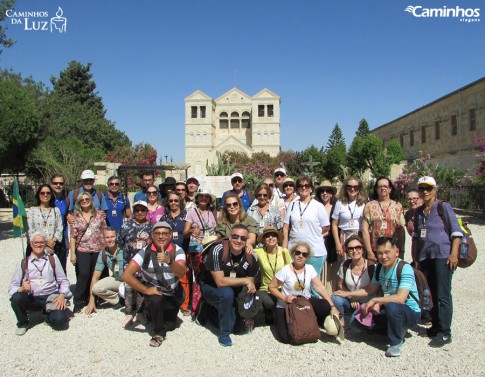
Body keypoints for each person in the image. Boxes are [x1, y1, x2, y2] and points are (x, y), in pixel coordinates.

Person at [347, 237, 421, 357]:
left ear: (396, 252)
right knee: (356, 324)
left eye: (387, 252)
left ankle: (396, 342)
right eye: (380, 253)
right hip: (388, 309)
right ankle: (394, 329)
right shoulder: (380, 268)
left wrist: (376, 301)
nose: (383, 256)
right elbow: (370, 289)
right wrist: (348, 294)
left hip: (409, 311)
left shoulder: (404, 268)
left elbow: (400, 298)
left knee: (392, 306)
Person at [412, 176, 462, 348]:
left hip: (442, 255)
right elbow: (416, 237)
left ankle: (445, 331)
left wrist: (454, 254)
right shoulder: (418, 212)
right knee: (430, 293)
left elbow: (456, 232)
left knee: (442, 294)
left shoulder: (443, 207)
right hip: (426, 257)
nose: (425, 191)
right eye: (422, 188)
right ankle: (435, 326)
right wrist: (416, 259)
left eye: (428, 188)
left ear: (435, 190)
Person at [122, 222, 186, 347]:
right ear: (152, 235)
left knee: (171, 326)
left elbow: (182, 272)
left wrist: (169, 261)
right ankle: (158, 333)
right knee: (156, 301)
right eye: (157, 233)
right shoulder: (144, 252)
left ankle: (148, 313)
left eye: (164, 233)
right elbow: (126, 276)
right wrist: (146, 290)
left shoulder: (177, 251)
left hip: (172, 293)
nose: (161, 237)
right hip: (155, 292)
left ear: (170, 235)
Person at [197, 224, 259, 346]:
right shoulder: (218, 250)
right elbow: (220, 282)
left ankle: (207, 310)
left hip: (234, 288)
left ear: (247, 241)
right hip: (211, 285)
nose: (238, 240)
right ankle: (224, 334)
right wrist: (245, 281)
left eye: (243, 238)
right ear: (230, 237)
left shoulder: (251, 258)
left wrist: (248, 314)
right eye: (235, 236)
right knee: (226, 294)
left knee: (236, 327)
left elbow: (250, 286)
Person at [268, 242, 339, 344]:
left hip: (305, 301)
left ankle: (315, 321)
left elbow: (320, 288)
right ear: (293, 254)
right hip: (287, 304)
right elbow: (271, 287)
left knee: (325, 305)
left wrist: (333, 306)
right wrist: (284, 298)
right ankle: (278, 318)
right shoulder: (285, 270)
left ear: (307, 257)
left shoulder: (309, 269)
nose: (300, 256)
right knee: (285, 339)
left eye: (304, 254)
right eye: (298, 253)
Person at [8, 232, 71, 335]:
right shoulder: (23, 263)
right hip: (32, 297)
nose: (38, 245)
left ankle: (47, 314)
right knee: (16, 298)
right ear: (31, 244)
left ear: (45, 243)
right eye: (35, 242)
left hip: (51, 296)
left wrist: (62, 295)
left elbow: (63, 280)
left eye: (41, 242)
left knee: (61, 322)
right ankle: (23, 323)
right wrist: (22, 288)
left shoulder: (52, 258)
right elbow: (11, 288)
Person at [282, 176, 330, 288]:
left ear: (311, 188)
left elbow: (326, 227)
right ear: (297, 189)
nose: (304, 188)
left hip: (314, 251)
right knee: (295, 283)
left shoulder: (318, 206)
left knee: (312, 285)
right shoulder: (292, 205)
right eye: (300, 186)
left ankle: (314, 304)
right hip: (294, 250)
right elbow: (286, 227)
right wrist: (285, 246)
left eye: (306, 185)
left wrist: (312, 233)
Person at [70, 192, 107, 313]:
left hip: (98, 248)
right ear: (79, 203)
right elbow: (73, 236)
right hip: (83, 249)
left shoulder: (99, 215)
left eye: (87, 199)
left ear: (91, 200)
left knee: (95, 275)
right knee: (83, 274)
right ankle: (79, 300)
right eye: (82, 200)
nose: (85, 201)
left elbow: (104, 231)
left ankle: (94, 298)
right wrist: (73, 253)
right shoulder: (76, 217)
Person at [119, 200, 153, 327]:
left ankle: (140, 312)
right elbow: (120, 243)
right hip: (129, 261)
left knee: (141, 287)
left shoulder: (151, 227)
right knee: (129, 287)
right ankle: (128, 312)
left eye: (142, 210)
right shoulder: (126, 226)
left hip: (145, 263)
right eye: (137, 210)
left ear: (147, 211)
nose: (139, 212)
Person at [183, 189, 218, 314]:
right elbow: (185, 232)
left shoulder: (212, 212)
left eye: (206, 197)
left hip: (210, 246)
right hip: (197, 247)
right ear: (197, 198)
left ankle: (208, 304)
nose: (203, 198)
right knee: (198, 277)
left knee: (210, 275)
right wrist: (192, 229)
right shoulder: (192, 212)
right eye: (201, 196)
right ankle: (196, 307)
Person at [330, 177, 366, 292]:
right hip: (345, 235)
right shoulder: (340, 203)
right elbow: (334, 224)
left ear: (359, 188)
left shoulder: (364, 202)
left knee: (360, 263)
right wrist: (337, 244)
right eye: (349, 187)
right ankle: (345, 292)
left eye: (355, 187)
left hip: (359, 235)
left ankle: (360, 291)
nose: (352, 189)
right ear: (345, 188)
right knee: (345, 265)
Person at [332, 235, 375, 324]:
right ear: (347, 252)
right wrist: (351, 298)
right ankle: (342, 318)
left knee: (356, 327)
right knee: (335, 298)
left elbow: (373, 290)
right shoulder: (345, 265)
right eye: (351, 249)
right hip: (351, 301)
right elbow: (340, 284)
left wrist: (350, 294)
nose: (354, 251)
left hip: (367, 303)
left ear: (363, 249)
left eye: (357, 247)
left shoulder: (372, 267)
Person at [362, 177, 404, 261]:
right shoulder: (369, 206)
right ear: (376, 189)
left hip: (392, 250)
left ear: (390, 189)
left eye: (385, 186)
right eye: (380, 186)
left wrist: (401, 250)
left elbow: (401, 229)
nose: (382, 188)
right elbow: (364, 229)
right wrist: (369, 251)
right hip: (375, 250)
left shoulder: (398, 206)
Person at [161, 191, 190, 315]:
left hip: (183, 250)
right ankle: (169, 302)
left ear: (180, 202)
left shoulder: (187, 216)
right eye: (171, 200)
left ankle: (184, 305)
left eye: (176, 200)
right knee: (167, 277)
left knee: (183, 277)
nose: (173, 203)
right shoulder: (164, 218)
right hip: (168, 250)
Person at [85, 227, 125, 315]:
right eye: (107, 237)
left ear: (116, 237)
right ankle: (120, 299)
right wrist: (92, 300)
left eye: (112, 237)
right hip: (117, 279)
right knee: (96, 288)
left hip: (129, 281)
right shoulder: (103, 254)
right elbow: (95, 277)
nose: (110, 240)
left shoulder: (124, 249)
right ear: (103, 238)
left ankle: (129, 298)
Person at [254, 227, 291, 320]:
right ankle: (269, 311)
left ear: (278, 238)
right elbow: (247, 249)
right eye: (267, 236)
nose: (271, 238)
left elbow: (291, 270)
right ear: (263, 240)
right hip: (266, 289)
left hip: (282, 288)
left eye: (273, 235)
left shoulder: (283, 252)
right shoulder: (259, 252)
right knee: (269, 302)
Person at [27, 185, 64, 270]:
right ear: (38, 194)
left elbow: (59, 228)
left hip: (53, 247)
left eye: (48, 193)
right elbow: (30, 230)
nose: (45, 195)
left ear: (51, 195)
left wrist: (53, 242)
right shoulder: (32, 211)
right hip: (37, 247)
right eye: (42, 193)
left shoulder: (56, 210)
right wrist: (46, 242)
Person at [315, 180, 338, 294]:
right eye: (322, 191)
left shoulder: (335, 207)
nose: (325, 193)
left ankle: (330, 294)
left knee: (330, 270)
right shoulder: (315, 206)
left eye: (327, 191)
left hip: (330, 242)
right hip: (316, 241)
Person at [50, 174, 70, 266]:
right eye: (55, 183)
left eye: (61, 183)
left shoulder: (66, 200)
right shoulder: (47, 199)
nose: (58, 185)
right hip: (49, 237)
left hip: (62, 236)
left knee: (61, 266)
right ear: (51, 184)